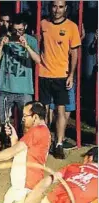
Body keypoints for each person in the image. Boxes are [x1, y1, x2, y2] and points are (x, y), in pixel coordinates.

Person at [39, 0, 81, 159]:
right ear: (50, 7)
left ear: (66, 8)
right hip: (43, 74)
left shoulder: (71, 27)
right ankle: (45, 141)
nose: (57, 10)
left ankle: (59, 144)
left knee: (60, 111)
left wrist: (71, 75)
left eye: (61, 7)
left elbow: (75, 53)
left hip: (61, 76)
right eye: (54, 6)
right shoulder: (43, 23)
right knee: (44, 112)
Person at [0, 14, 41, 142]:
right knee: (3, 121)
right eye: (15, 30)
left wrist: (27, 46)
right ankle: (7, 144)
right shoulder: (5, 38)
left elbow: (38, 60)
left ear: (25, 27)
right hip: (5, 87)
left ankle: (24, 145)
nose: (17, 33)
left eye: (20, 30)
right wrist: (1, 45)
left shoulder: (31, 40)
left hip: (25, 89)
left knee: (27, 121)